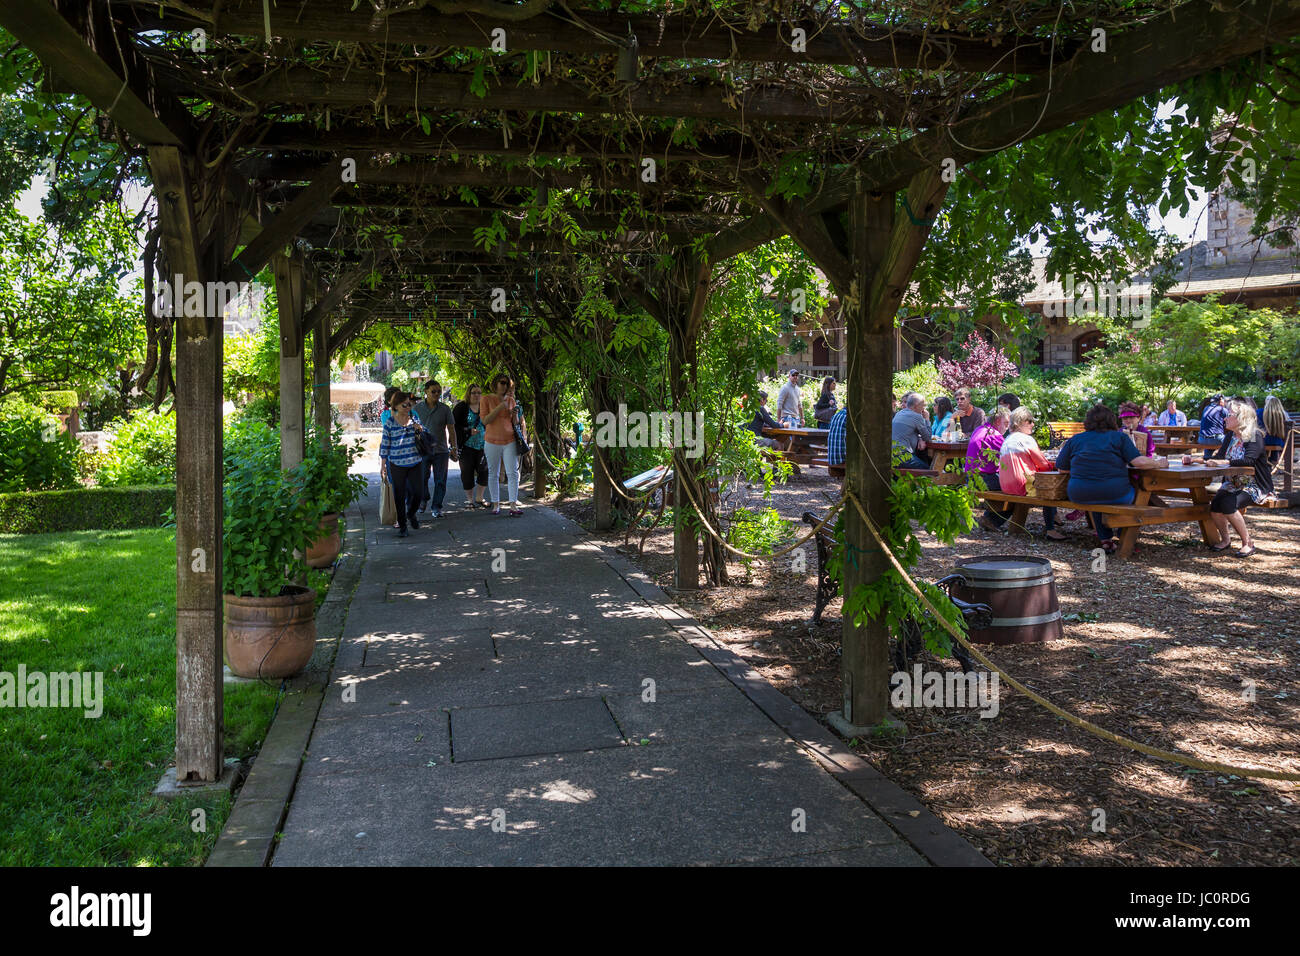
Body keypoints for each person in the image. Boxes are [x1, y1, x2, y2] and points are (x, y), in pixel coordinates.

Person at [1056, 403, 1164, 554]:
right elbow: (1138, 462)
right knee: (1137, 493)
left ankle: (1105, 539)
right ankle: (1123, 533)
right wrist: (1159, 463)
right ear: (1111, 421)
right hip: (1115, 492)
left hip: (1079, 494)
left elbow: (1062, 468)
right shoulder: (1119, 437)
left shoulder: (1075, 439)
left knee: (1097, 497)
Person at [1202, 398, 1275, 556]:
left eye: (1229, 415)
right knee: (1215, 506)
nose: (1225, 418)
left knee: (1228, 504)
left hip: (1255, 485)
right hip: (1232, 483)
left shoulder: (1254, 435)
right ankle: (1226, 540)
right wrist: (1196, 460)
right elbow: (1219, 456)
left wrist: (1224, 461)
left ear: (1241, 418)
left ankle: (1247, 542)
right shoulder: (1230, 437)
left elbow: (1249, 460)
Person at [999, 407, 1067, 540]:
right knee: (1049, 486)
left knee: (1045, 480)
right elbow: (1043, 465)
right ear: (1020, 422)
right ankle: (1050, 529)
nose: (1032, 424)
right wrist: (1054, 465)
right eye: (1029, 421)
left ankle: (1054, 516)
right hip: (1023, 485)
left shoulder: (1007, 440)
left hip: (1006, 485)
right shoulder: (1026, 439)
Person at [378, 390, 425, 538]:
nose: (408, 407)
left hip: (415, 461)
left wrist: (421, 430)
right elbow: (385, 444)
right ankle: (403, 526)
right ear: (396, 406)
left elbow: (425, 433)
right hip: (397, 464)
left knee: (418, 492)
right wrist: (383, 465)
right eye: (404, 405)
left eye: (409, 404)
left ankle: (411, 513)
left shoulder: (414, 418)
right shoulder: (390, 423)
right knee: (399, 495)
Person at [412, 379, 458, 517]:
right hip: (422, 450)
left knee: (440, 480)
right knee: (421, 478)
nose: (437, 393)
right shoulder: (417, 409)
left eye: (439, 391)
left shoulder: (445, 409)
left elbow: (451, 428)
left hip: (441, 450)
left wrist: (454, 447)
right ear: (426, 392)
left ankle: (436, 506)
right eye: (433, 391)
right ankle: (423, 499)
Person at [481, 374, 523, 516]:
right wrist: (500, 407)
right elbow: (486, 420)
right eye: (502, 383)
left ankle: (513, 505)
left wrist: (514, 414)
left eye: (507, 384)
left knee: (512, 473)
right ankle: (496, 504)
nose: (505, 386)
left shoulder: (511, 400)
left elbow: (515, 423)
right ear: (495, 383)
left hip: (509, 440)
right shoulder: (486, 399)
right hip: (492, 441)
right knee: (494, 473)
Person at [967, 407, 1011, 530]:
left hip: (971, 477)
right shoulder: (994, 435)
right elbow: (1008, 458)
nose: (1007, 427)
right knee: (1017, 488)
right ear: (997, 421)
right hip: (982, 479)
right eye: (1006, 423)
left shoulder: (980, 429)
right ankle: (992, 520)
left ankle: (990, 519)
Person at [453, 384, 491, 508]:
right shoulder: (461, 407)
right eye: (474, 392)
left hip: (483, 445)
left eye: (479, 393)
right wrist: (468, 431)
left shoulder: (485, 407)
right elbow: (454, 427)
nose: (476, 395)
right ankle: (470, 500)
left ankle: (480, 497)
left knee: (484, 471)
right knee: (467, 473)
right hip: (466, 446)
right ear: (468, 394)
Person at [892, 392, 931, 468]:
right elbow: (927, 437)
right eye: (923, 405)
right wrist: (927, 419)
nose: (924, 408)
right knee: (928, 471)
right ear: (916, 406)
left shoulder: (899, 413)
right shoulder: (917, 416)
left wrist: (919, 438)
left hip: (892, 454)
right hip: (902, 456)